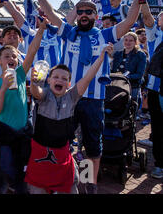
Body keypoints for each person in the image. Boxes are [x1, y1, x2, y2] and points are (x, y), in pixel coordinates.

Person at [36, 0, 147, 193]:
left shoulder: (105, 34)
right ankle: (65, 179)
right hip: (68, 97)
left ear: (96, 16)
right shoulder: (68, 33)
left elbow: (129, 22)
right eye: (81, 12)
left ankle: (90, 184)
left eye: (89, 12)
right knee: (62, 142)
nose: (84, 15)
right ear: (77, 16)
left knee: (92, 147)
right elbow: (50, 13)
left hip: (94, 99)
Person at [26, 44, 113, 194]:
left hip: (62, 155)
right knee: (37, 190)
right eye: (56, 77)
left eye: (64, 78)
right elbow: (36, 92)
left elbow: (88, 77)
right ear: (49, 80)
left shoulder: (72, 96)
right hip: (39, 154)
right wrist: (33, 83)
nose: (60, 80)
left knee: (71, 186)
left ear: (69, 84)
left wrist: (101, 57)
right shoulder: (44, 95)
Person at [0, 17, 48, 194]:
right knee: (4, 177)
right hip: (5, 137)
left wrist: (41, 30)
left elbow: (31, 51)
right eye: (6, 56)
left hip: (23, 136)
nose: (11, 58)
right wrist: (3, 89)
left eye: (14, 55)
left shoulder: (21, 74)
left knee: (22, 176)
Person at [140, 3, 163, 179]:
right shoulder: (156, 35)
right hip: (157, 89)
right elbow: (147, 19)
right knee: (159, 127)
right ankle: (160, 164)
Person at [111, 32, 147, 107]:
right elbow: (113, 71)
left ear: (135, 42)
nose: (128, 42)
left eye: (131, 40)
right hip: (117, 86)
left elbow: (140, 74)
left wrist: (125, 77)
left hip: (133, 86)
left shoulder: (141, 55)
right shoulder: (117, 54)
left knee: (131, 109)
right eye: (126, 40)